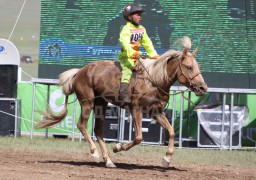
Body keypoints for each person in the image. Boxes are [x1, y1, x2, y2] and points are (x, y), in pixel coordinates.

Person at [118, 2, 159, 103]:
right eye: (137, 15)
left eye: (140, 15)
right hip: (126, 56)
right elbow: (125, 44)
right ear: (130, 17)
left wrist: (153, 55)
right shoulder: (126, 29)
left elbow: (147, 43)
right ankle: (123, 94)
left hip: (138, 55)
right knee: (127, 69)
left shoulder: (142, 29)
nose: (140, 17)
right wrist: (133, 53)